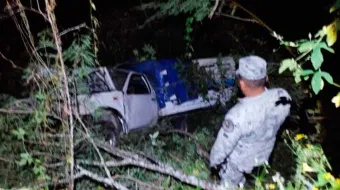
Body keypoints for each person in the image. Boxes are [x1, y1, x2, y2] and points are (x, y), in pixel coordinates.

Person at [209, 55, 292, 188]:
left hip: (240, 162)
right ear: (266, 78)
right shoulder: (282, 96)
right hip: (263, 156)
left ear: (241, 83)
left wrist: (214, 163)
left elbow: (222, 148)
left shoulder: (237, 115)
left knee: (228, 184)